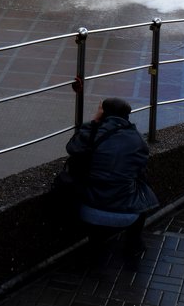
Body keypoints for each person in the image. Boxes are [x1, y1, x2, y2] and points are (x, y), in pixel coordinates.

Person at [65, 97, 159, 258]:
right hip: (127, 215)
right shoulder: (137, 140)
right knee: (143, 187)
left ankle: (96, 242)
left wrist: (94, 122)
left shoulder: (92, 132)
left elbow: (72, 147)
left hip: (88, 209)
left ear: (103, 113)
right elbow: (139, 170)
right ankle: (134, 242)